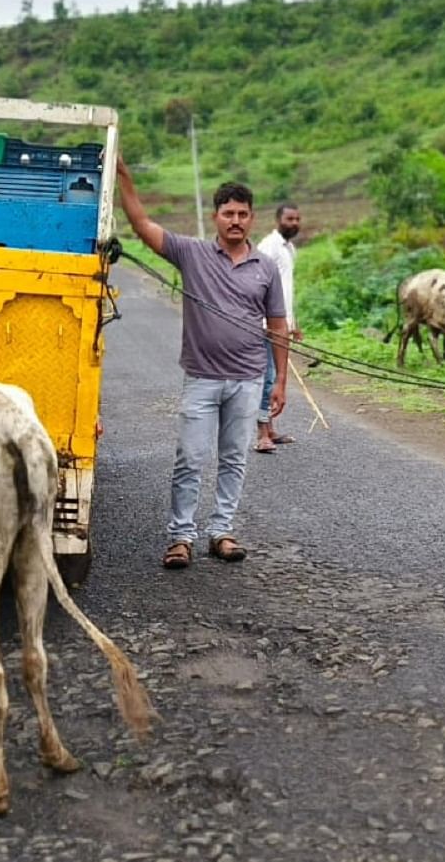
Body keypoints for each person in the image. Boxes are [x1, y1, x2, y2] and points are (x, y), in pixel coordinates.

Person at [114, 156, 288, 569]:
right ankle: (180, 537)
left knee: (234, 458)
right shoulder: (191, 254)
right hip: (202, 379)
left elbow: (278, 326)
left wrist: (279, 381)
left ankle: (222, 532)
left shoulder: (265, 267)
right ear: (215, 217)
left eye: (243, 214)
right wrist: (125, 177)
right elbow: (142, 226)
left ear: (252, 219)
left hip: (247, 380)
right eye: (228, 213)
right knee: (190, 458)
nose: (236, 221)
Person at [254, 203, 303, 453]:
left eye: (297, 219)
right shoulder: (268, 246)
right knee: (268, 376)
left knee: (272, 375)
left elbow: (285, 290)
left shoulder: (289, 249)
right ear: (278, 220)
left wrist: (292, 324)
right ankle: (262, 434)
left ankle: (270, 429)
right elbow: (257, 283)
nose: (294, 223)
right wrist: (265, 320)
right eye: (289, 219)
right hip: (265, 324)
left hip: (280, 324)